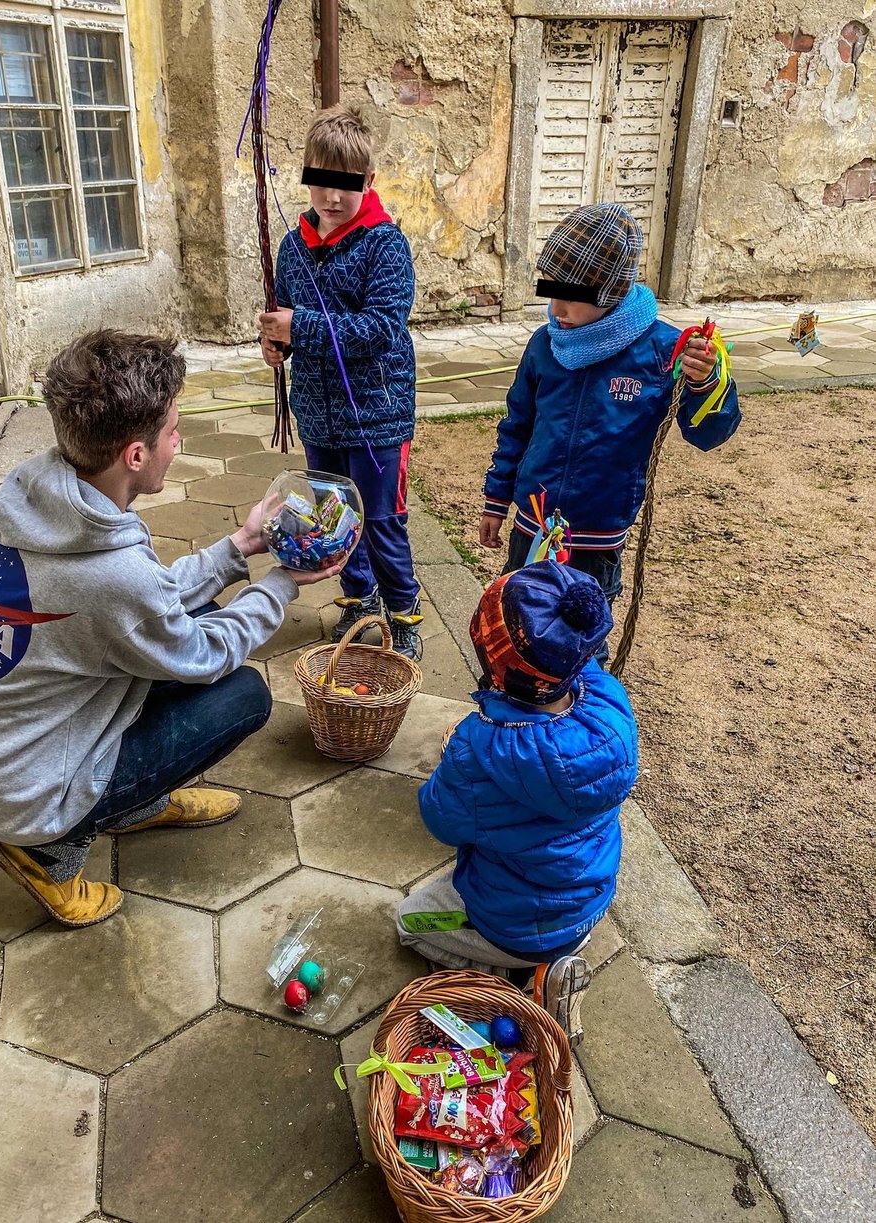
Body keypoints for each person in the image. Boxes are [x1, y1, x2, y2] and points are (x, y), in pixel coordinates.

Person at [0, 330, 342, 929]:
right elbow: (195, 647)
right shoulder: (110, 572)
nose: (180, 442)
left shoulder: (39, 493)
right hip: (24, 792)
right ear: (134, 454)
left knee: (188, 628)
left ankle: (134, 798)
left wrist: (241, 546)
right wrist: (279, 584)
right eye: (173, 431)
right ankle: (49, 853)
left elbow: (144, 610)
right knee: (244, 694)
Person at [479, 202, 741, 650]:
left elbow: (708, 433)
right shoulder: (546, 344)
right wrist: (497, 498)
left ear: (612, 291)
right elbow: (518, 425)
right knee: (518, 623)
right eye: (550, 289)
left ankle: (579, 714)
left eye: (572, 295)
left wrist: (705, 382)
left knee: (580, 640)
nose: (555, 306)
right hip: (534, 526)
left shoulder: (662, 351)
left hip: (595, 536)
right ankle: (513, 708)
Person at [396, 561, 638, 1043]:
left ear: (494, 664)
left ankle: (509, 982)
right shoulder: (610, 699)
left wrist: (453, 765)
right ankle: (552, 961)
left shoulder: (478, 746)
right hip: (588, 904)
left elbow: (439, 819)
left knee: (409, 921)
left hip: (514, 925)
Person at [259, 104, 423, 658]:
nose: (331, 197)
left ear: (368, 182)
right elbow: (285, 312)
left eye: (345, 185)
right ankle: (359, 597)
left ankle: (404, 609)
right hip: (318, 410)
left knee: (379, 519)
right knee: (335, 516)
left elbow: (381, 328)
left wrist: (299, 325)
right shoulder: (292, 246)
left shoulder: (386, 246)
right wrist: (276, 343)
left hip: (377, 414)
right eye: (321, 181)